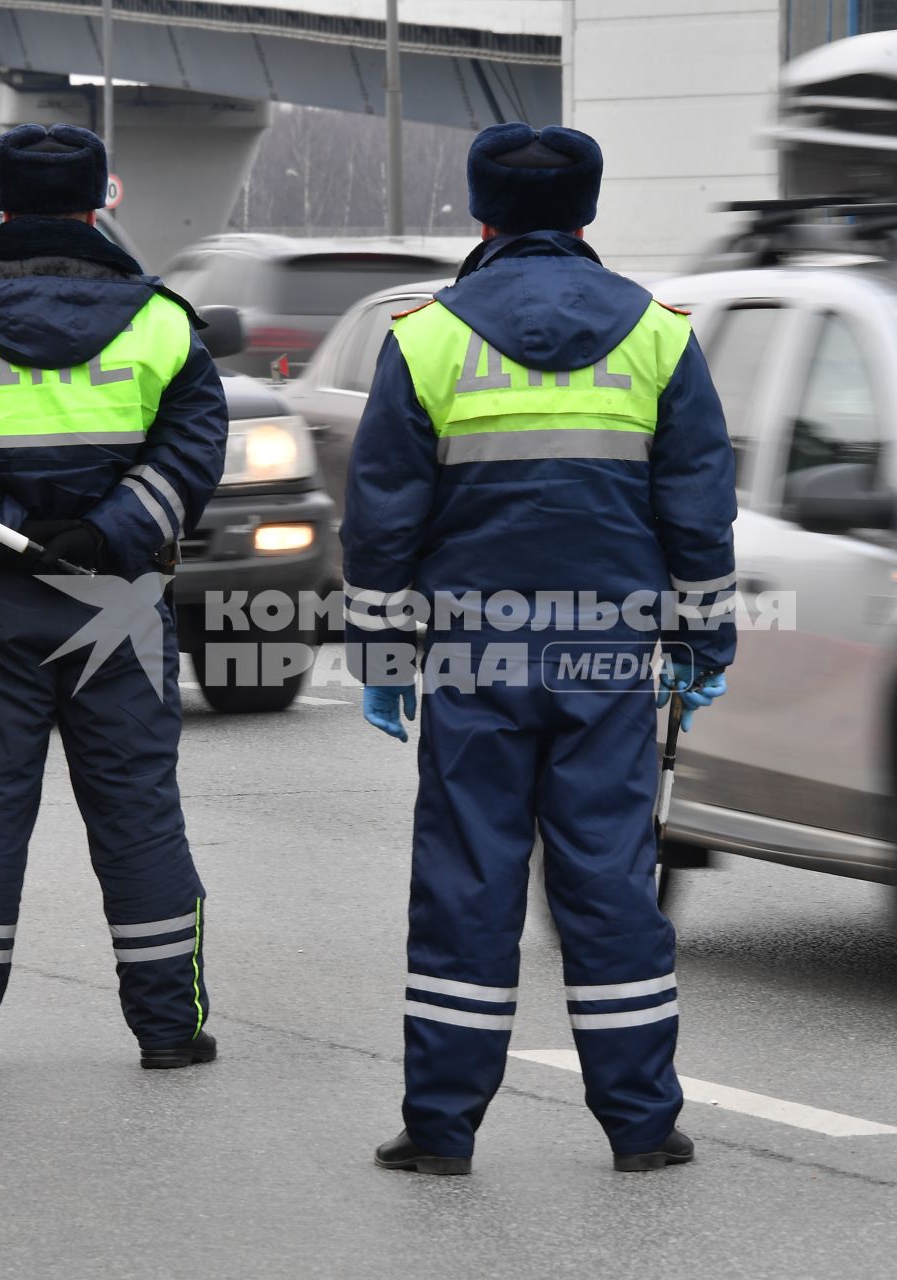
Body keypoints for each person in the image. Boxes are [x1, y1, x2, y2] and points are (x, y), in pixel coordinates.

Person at [341, 123, 738, 1174]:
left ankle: (441, 1128)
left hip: (476, 659)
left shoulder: (426, 339)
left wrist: (382, 660)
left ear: (481, 214)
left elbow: (383, 518)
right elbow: (698, 509)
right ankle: (643, 1124)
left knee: (468, 878)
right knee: (609, 880)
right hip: (612, 658)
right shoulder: (658, 334)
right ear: (587, 212)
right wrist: (704, 633)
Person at [0, 123, 229, 1075]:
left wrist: (8, 532)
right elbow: (192, 454)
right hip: (118, 598)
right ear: (98, 201)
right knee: (138, 810)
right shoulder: (160, 319)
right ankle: (169, 1030)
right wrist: (105, 533)